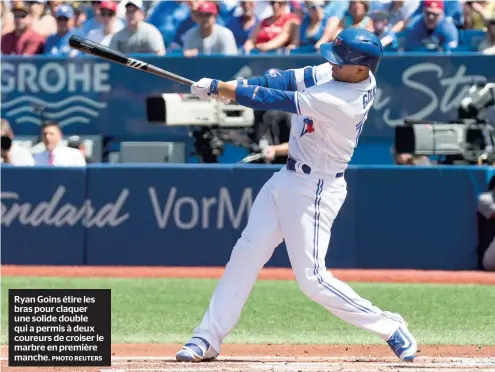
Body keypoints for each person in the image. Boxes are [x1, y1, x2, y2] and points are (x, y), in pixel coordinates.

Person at [178, 28, 418, 363]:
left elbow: (269, 100)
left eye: (339, 60)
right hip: (286, 178)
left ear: (362, 69)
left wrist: (222, 89)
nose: (330, 64)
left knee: (313, 279)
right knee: (246, 253)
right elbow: (284, 80)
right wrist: (227, 88)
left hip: (316, 189)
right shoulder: (345, 74)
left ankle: (390, 325)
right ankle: (207, 337)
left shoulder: (341, 100)